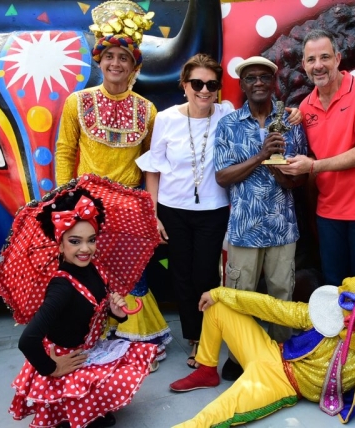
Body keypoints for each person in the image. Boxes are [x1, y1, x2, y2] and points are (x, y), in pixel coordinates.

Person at [54, 0, 171, 366]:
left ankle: (137, 345)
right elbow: (63, 152)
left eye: (124, 57)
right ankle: (95, 340)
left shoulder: (147, 110)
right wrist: (64, 202)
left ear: (134, 65)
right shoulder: (78, 102)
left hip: (131, 207)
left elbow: (153, 165)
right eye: (110, 57)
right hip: (87, 206)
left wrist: (151, 211)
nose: (116, 64)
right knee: (89, 274)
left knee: (132, 277)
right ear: (99, 61)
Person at [168, 276, 355, 428]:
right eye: (350, 303)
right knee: (218, 306)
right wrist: (219, 292)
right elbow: (272, 308)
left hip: (281, 384)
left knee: (214, 415)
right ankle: (207, 369)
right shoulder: (318, 317)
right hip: (271, 352)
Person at [9, 189, 157, 428]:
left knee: (132, 359)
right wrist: (52, 368)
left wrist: (114, 313)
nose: (85, 249)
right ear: (59, 244)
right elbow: (27, 340)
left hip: (88, 349)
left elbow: (86, 313)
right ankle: (70, 412)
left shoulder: (96, 268)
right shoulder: (61, 287)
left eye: (91, 239)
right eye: (75, 241)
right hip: (67, 358)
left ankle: (90, 408)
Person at [214, 56, 308, 380]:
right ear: (242, 84)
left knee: (282, 294)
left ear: (273, 83)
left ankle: (283, 356)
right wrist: (261, 156)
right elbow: (223, 176)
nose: (258, 83)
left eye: (264, 78)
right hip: (244, 227)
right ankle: (240, 356)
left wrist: (285, 175)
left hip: (282, 225)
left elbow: (301, 176)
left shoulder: (290, 121)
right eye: (251, 78)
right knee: (241, 295)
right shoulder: (229, 124)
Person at [135, 53, 232, 369]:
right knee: (181, 275)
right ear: (184, 85)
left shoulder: (227, 114)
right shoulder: (166, 118)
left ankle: (208, 335)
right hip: (172, 208)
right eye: (197, 83)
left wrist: (292, 114)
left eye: (211, 84)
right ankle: (194, 337)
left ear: (218, 87)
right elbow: (153, 168)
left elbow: (261, 117)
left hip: (213, 209)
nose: (204, 90)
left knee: (205, 273)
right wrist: (153, 212)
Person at [278, 29, 355, 286]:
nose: (318, 65)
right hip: (328, 212)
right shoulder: (306, 106)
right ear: (304, 65)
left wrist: (314, 166)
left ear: (338, 59)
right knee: (332, 287)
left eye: (325, 57)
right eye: (311, 59)